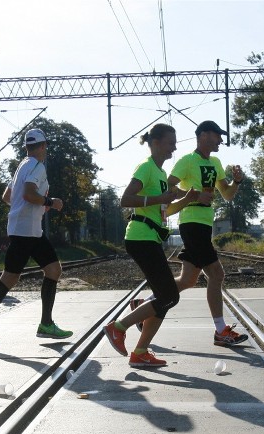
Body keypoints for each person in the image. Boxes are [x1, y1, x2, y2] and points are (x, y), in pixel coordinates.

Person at [0, 128, 72, 347]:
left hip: (29, 230)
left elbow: (9, 197)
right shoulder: (37, 166)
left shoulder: (22, 166)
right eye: (44, 147)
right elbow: (28, 194)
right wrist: (50, 202)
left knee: (53, 270)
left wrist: (31, 208)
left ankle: (46, 323)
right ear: (42, 146)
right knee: (9, 278)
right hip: (25, 232)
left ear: (27, 147)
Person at [103, 124, 188, 366]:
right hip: (140, 237)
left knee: (164, 297)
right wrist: (159, 198)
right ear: (157, 143)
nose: (174, 147)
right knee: (169, 296)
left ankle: (140, 352)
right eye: (171, 142)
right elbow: (126, 199)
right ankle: (118, 327)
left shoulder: (161, 174)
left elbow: (162, 206)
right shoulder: (146, 168)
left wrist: (186, 197)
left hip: (150, 238)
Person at [165, 120, 249, 347]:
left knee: (188, 279)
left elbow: (228, 195)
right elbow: (168, 187)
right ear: (203, 135)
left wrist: (237, 181)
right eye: (217, 135)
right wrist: (193, 195)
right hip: (191, 223)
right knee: (217, 274)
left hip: (204, 225)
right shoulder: (187, 161)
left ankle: (147, 302)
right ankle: (221, 330)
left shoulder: (216, 162)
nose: (221, 139)